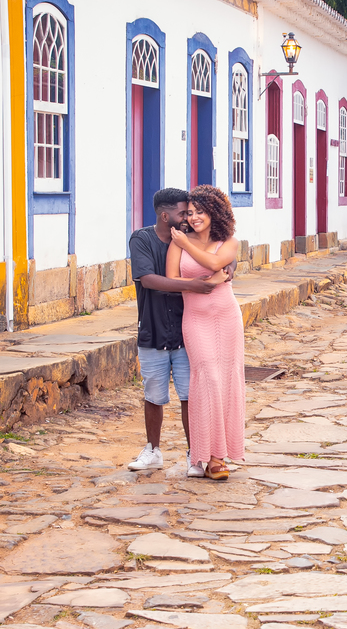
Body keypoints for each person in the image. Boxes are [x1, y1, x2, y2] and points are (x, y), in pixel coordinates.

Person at [127, 188, 232, 476]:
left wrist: (229, 263)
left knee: (192, 395)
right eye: (183, 212)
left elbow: (217, 252)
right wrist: (193, 286)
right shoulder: (143, 239)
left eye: (192, 212)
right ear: (165, 215)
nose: (188, 217)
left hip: (187, 329)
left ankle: (194, 455)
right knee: (154, 395)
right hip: (154, 327)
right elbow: (148, 279)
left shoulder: (189, 240)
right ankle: (153, 450)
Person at [167, 184, 245, 481]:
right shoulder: (178, 242)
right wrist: (208, 281)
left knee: (227, 380)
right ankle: (201, 453)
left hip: (226, 316)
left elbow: (216, 262)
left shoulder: (229, 242)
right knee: (208, 379)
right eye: (190, 213)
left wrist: (191, 249)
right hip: (195, 319)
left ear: (215, 213)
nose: (195, 217)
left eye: (201, 212)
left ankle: (217, 457)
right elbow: (173, 279)